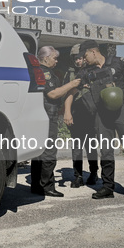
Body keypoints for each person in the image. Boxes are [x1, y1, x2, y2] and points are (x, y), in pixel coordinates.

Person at [66, 40, 124, 204]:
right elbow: (71, 91)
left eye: (85, 55)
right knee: (106, 152)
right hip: (101, 115)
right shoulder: (86, 72)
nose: (84, 59)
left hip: (122, 111)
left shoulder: (118, 63)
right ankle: (108, 187)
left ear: (93, 52)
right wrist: (67, 111)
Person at [31, 46, 81, 197]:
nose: (57, 61)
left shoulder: (39, 70)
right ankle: (47, 186)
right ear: (45, 58)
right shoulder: (44, 72)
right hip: (48, 115)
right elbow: (52, 94)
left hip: (40, 115)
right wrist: (71, 85)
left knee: (38, 152)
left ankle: (37, 185)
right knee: (49, 152)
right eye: (54, 58)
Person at [62, 44, 99, 188]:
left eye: (80, 58)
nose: (78, 61)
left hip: (91, 114)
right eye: (75, 59)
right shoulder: (70, 74)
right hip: (76, 114)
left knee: (91, 146)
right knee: (77, 146)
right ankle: (78, 176)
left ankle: (94, 173)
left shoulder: (94, 71)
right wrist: (67, 112)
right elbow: (65, 94)